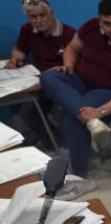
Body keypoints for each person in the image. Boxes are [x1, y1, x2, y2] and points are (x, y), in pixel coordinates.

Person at [40, 0, 111, 201]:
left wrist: (99, 112)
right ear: (99, 21)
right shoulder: (90, 27)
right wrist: (67, 65)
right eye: (107, 24)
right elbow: (71, 48)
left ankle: (81, 176)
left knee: (72, 117)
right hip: (82, 80)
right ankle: (90, 122)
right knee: (49, 77)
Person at [6, 0, 75, 147]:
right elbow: (19, 50)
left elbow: (74, 67)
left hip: (63, 83)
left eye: (43, 15)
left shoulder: (69, 33)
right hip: (39, 83)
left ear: (52, 14)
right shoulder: (27, 30)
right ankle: (57, 146)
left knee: (63, 111)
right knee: (28, 114)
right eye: (33, 16)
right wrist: (15, 59)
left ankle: (72, 146)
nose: (38, 20)